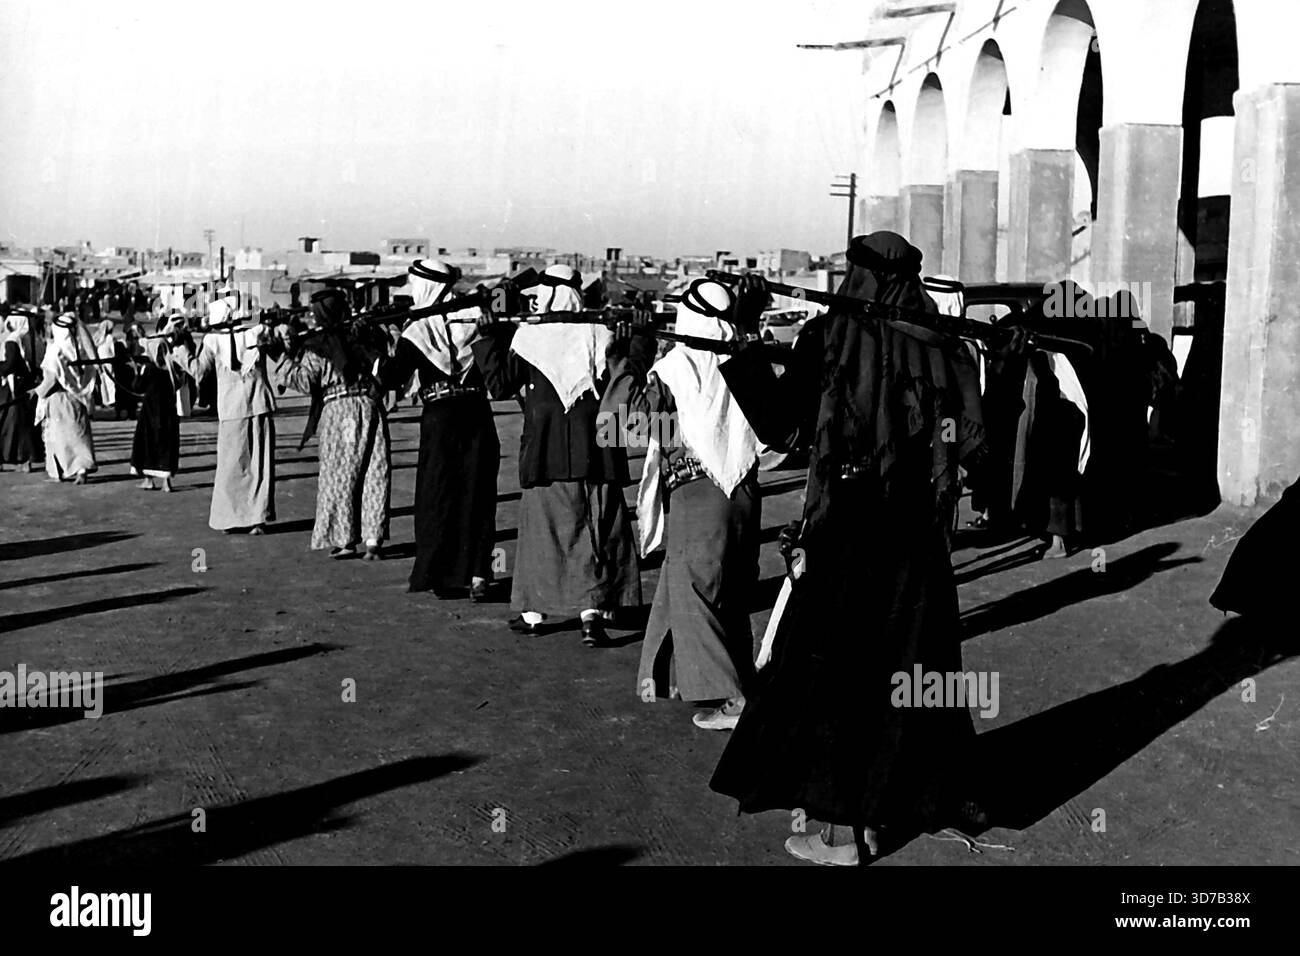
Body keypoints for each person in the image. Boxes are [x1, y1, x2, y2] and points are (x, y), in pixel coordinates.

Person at [708, 232, 990, 866]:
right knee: (912, 671)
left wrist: (747, 341)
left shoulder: (829, 337)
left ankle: (843, 835)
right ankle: (909, 803)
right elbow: (969, 439)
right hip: (915, 531)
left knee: (839, 671)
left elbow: (783, 427)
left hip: (849, 527)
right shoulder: (942, 347)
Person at [601, 278, 761, 730]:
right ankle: (732, 685)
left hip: (698, 491)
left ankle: (733, 697)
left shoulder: (675, 370)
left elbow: (621, 424)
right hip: (745, 492)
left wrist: (634, 354)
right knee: (725, 592)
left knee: (695, 594)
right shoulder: (744, 359)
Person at [472, 263, 642, 645]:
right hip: (596, 455)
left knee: (543, 536)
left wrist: (488, 335)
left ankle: (534, 614)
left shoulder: (530, 339)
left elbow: (498, 384)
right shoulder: (602, 335)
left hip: (545, 454)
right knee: (594, 532)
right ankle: (592, 615)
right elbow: (628, 379)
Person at [380, 259, 499, 594]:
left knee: (439, 495)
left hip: (440, 418)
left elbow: (391, 378)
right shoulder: (477, 321)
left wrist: (375, 350)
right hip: (477, 412)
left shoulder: (418, 331)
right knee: (477, 493)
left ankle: (441, 574)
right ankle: (479, 575)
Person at [281, 288, 390, 560]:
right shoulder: (365, 334)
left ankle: (345, 539)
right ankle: (373, 539)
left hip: (341, 412)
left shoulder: (319, 344)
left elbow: (306, 381)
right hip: (372, 408)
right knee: (374, 471)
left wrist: (281, 358)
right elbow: (385, 362)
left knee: (341, 474)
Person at [175, 293, 276, 533]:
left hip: (231, 408)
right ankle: (256, 519)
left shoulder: (211, 340)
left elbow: (198, 371)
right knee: (259, 464)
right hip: (259, 403)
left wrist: (180, 349)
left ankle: (230, 519)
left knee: (231, 466)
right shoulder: (258, 332)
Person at [34, 312, 99, 484]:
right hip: (77, 398)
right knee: (78, 435)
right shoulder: (80, 350)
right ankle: (81, 469)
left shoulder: (55, 351)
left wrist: (35, 392)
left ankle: (60, 471)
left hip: (58, 399)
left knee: (59, 438)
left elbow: (50, 380)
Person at [128, 317, 182, 492]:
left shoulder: (149, 369)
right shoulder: (171, 369)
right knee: (166, 444)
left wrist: (137, 372)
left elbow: (138, 387)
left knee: (148, 444)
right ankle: (166, 483)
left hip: (150, 413)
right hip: (168, 413)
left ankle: (148, 480)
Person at [0, 311, 41, 471]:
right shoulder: (34, 338)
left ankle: (18, 459)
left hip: (13, 387)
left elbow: (9, 365)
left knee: (9, 423)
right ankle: (27, 460)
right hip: (29, 385)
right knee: (26, 422)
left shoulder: (12, 340)